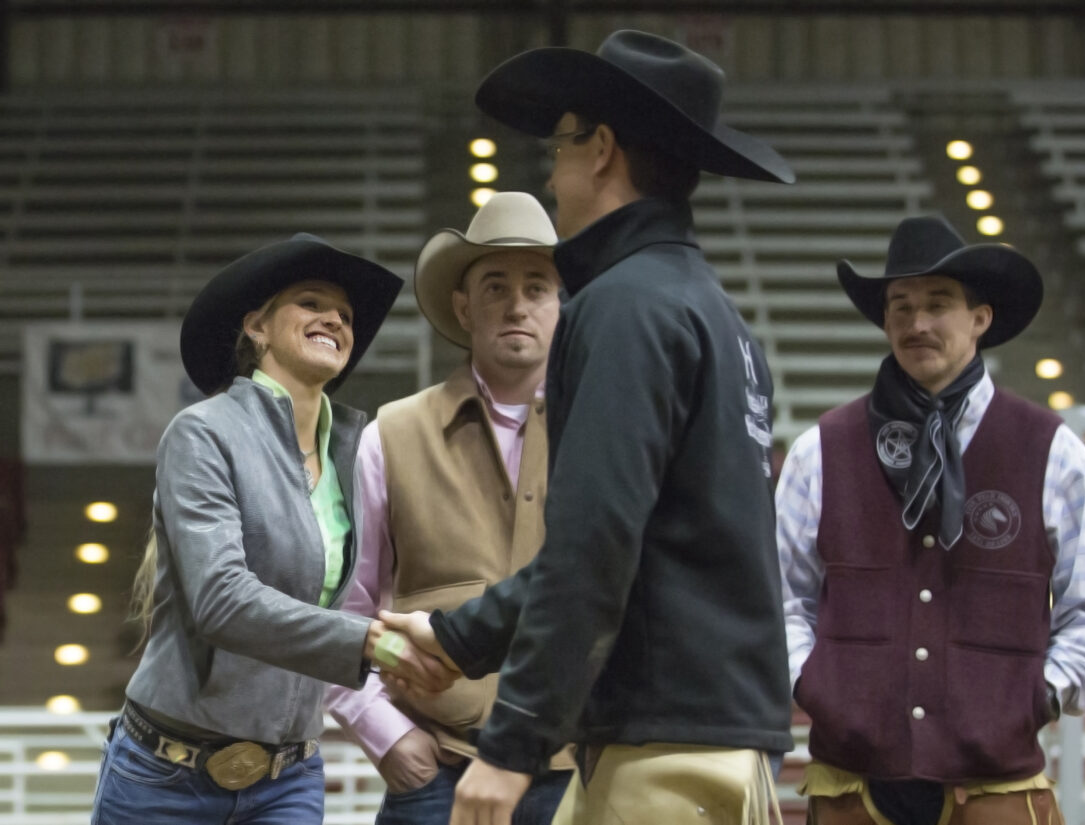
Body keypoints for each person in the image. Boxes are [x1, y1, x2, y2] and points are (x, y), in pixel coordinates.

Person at [381, 29, 798, 825]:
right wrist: (458, 635)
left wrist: (511, 744)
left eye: (561, 143)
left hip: (659, 745)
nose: (551, 170)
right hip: (709, 736)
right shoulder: (714, 314)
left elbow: (593, 545)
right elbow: (638, 544)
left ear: (601, 149)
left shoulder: (623, 306)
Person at [775, 215, 1085, 825]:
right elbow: (780, 598)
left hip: (997, 785)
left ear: (980, 318)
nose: (916, 323)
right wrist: (812, 684)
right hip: (851, 785)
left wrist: (1038, 697)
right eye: (901, 306)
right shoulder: (820, 451)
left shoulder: (1053, 452)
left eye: (938, 304)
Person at [90, 233, 437, 825]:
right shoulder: (203, 432)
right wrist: (375, 645)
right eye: (311, 302)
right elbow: (222, 600)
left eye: (345, 315)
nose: (334, 319)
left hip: (289, 776)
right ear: (257, 327)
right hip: (165, 777)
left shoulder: (358, 452)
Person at [325, 191, 573, 825]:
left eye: (537, 286)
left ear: (563, 304)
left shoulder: (609, 432)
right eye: (495, 286)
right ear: (464, 307)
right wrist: (386, 735)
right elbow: (348, 610)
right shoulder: (391, 434)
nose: (517, 305)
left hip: (580, 770)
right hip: (438, 768)